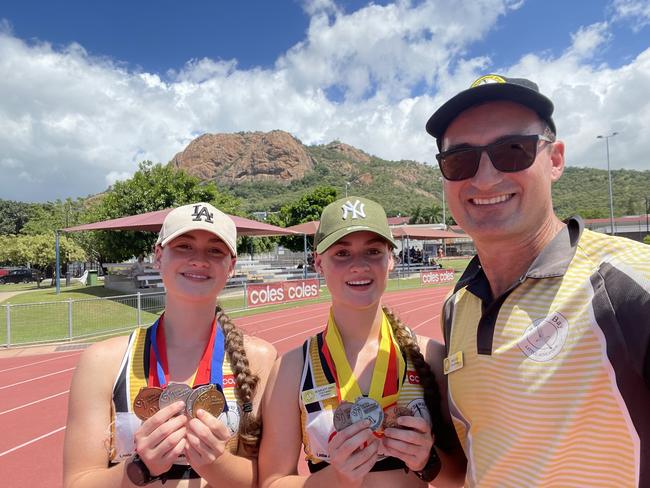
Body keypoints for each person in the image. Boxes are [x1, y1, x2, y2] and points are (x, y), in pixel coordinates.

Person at [425, 73, 650, 486]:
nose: (485, 177)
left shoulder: (631, 282)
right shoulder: (457, 308)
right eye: (460, 160)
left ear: (556, 159)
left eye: (513, 150)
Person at [63, 202, 277, 487]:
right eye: (184, 246)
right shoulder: (102, 362)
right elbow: (77, 481)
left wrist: (216, 463)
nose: (199, 259)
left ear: (232, 266)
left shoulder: (259, 357)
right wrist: (140, 467)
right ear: (158, 256)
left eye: (215, 250)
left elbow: (268, 480)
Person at [259, 196, 466, 487]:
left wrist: (426, 461)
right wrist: (336, 477)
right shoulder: (292, 368)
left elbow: (460, 478)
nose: (359, 266)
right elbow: (271, 481)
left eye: (373, 251)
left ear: (391, 259)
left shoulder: (430, 355)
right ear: (319, 263)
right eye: (342, 254)